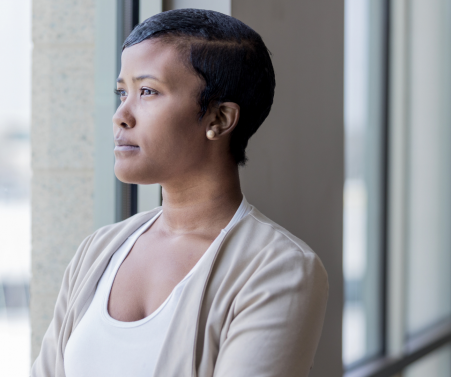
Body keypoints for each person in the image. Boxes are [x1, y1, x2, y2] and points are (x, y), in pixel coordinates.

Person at [32, 8, 328, 377]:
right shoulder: (97, 252)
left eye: (148, 91)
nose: (121, 115)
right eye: (121, 92)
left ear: (219, 120)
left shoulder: (279, 269)